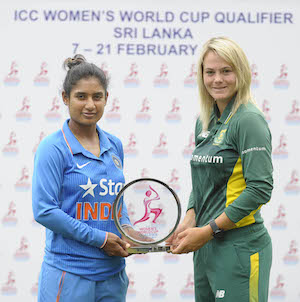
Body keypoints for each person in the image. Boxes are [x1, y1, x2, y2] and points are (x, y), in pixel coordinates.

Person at [167, 37, 273, 302]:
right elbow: (204, 181)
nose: (217, 80)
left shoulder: (249, 120)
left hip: (239, 245)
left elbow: (260, 189)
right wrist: (191, 218)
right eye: (210, 72)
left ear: (241, 72)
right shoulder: (205, 120)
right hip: (206, 246)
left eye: (226, 71)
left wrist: (207, 229)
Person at [32, 54, 132, 302]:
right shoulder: (53, 148)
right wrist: (99, 240)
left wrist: (129, 228)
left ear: (106, 99)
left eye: (97, 96)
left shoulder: (114, 145)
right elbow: (44, 211)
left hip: (113, 274)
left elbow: (116, 199)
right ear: (65, 98)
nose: (90, 104)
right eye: (81, 97)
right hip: (69, 275)